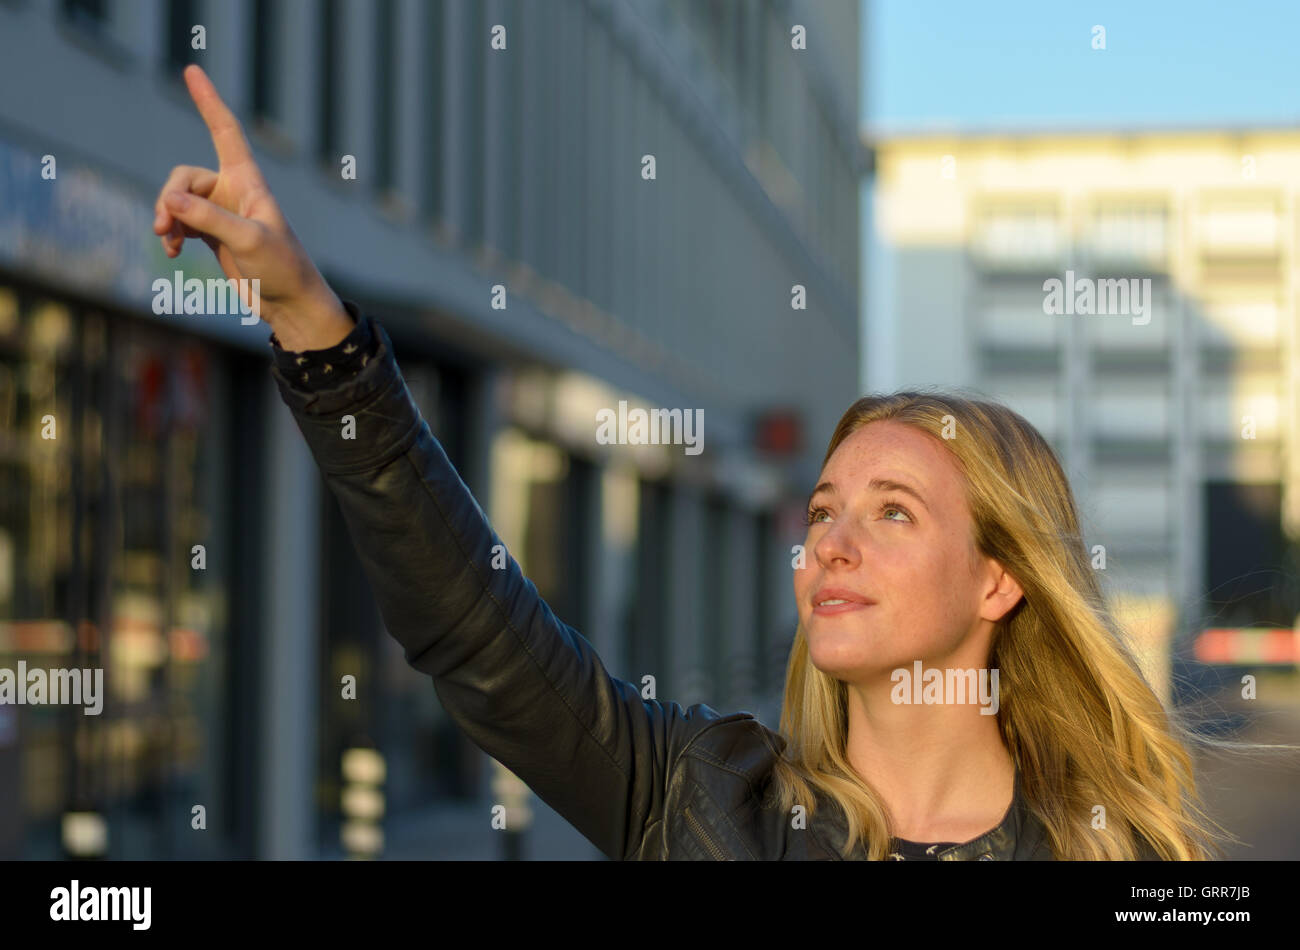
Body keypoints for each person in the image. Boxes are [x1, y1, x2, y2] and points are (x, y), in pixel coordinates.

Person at [154, 65, 1236, 860]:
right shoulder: (702, 797)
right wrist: (309, 318)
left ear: (999, 577)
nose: (831, 544)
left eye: (894, 512)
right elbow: (473, 629)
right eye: (823, 510)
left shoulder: (1117, 853)